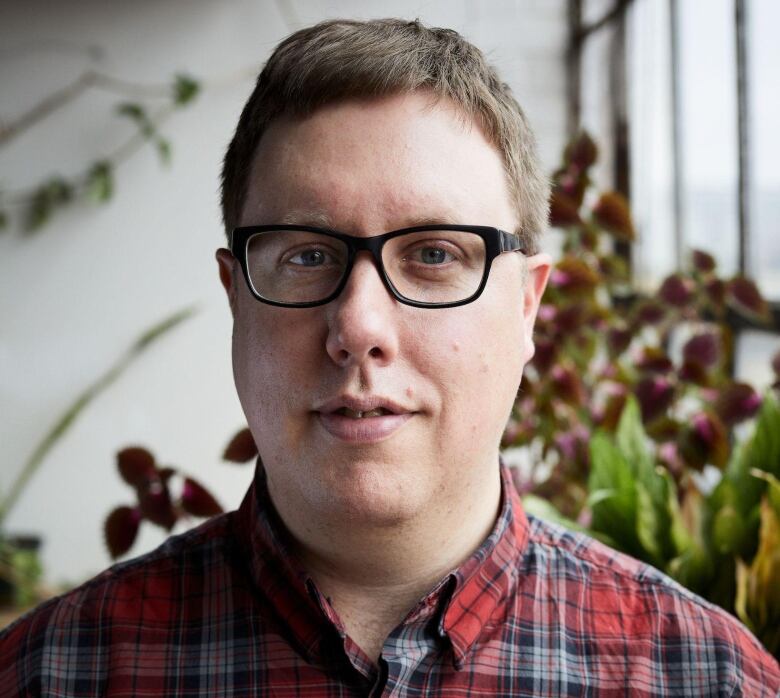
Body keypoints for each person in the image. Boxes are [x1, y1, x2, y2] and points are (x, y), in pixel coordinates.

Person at [1, 17, 778, 697]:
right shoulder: (53, 672)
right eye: (306, 255)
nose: (359, 324)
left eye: (434, 253)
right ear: (235, 294)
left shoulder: (707, 676)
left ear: (528, 304)